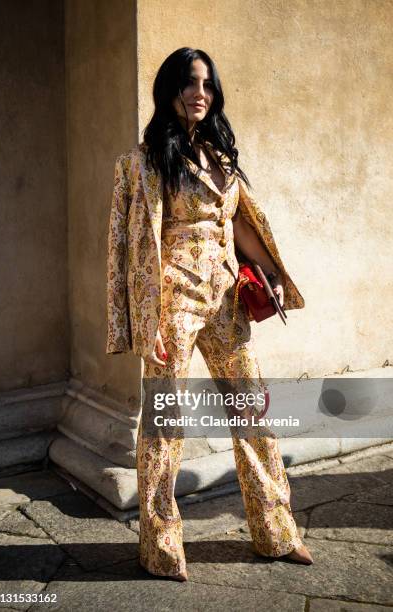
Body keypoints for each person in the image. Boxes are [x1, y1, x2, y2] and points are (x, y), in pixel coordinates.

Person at [106, 47, 313, 582]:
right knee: (164, 426)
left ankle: (277, 533)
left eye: (207, 84)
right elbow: (128, 249)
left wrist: (277, 278)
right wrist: (143, 319)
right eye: (189, 83)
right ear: (169, 89)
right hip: (171, 300)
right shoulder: (143, 160)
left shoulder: (220, 156)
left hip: (224, 298)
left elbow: (237, 226)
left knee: (252, 412)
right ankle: (161, 548)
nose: (200, 92)